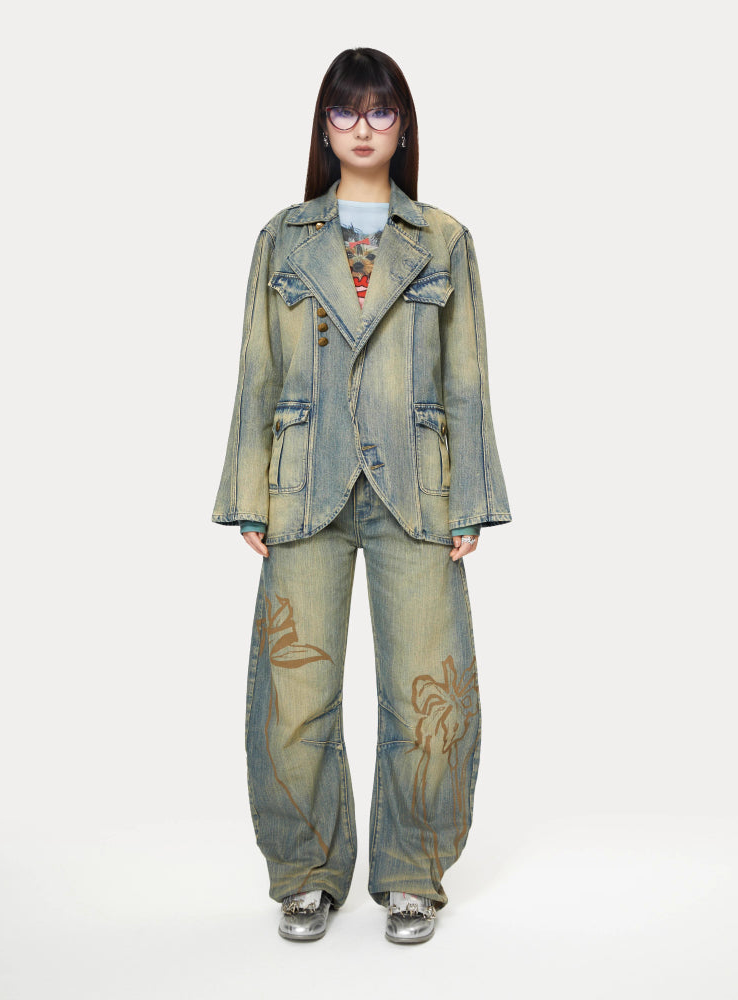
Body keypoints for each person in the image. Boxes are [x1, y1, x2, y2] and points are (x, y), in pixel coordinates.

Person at [211, 47, 512, 944]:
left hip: (416, 491)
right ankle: (305, 873)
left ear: (403, 126)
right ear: (325, 126)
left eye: (381, 111)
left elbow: (467, 379)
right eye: (347, 112)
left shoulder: (443, 240)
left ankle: (413, 872)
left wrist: (471, 498)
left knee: (428, 692)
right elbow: (256, 371)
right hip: (304, 486)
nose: (364, 128)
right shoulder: (283, 238)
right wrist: (249, 494)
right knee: (293, 696)